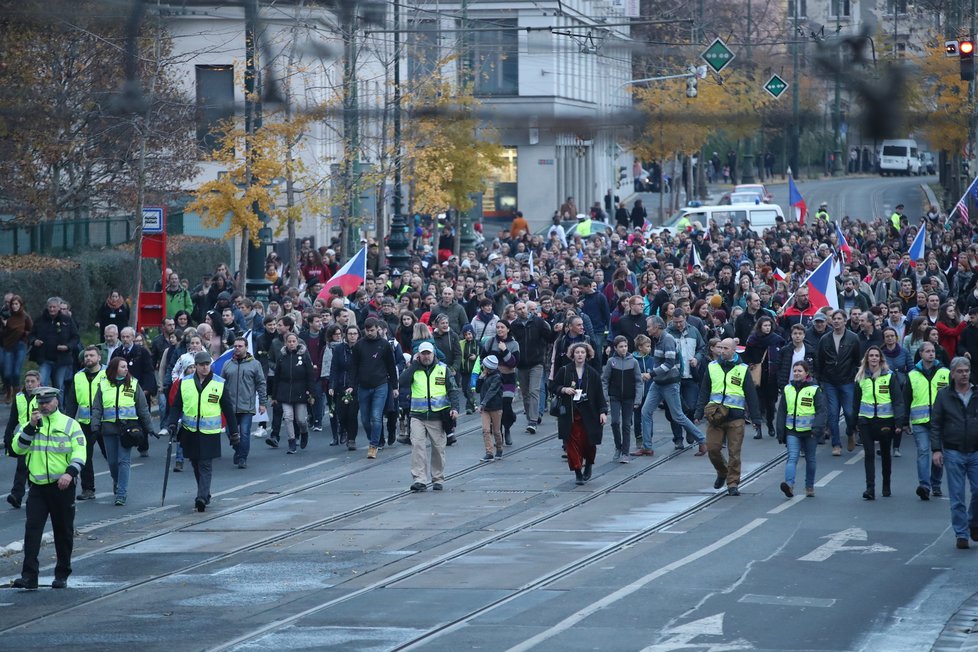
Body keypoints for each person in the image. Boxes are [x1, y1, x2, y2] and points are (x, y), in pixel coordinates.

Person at [9, 386, 86, 589]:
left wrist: (70, 473)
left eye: (47, 402)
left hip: (62, 486)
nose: (43, 405)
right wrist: (31, 428)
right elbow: (17, 448)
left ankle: (62, 574)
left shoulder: (70, 425)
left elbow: (80, 452)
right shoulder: (31, 424)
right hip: (38, 487)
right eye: (40, 403)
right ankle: (29, 577)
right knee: (32, 531)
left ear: (56, 402)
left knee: (63, 532)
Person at [165, 351, 240, 512]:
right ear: (196, 366)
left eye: (208, 364)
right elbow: (177, 405)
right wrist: (171, 423)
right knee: (195, 463)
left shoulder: (219, 383)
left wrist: (234, 432)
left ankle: (201, 496)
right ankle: (205, 493)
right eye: (202, 365)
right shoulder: (184, 383)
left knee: (205, 464)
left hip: (209, 432)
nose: (205, 367)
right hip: (190, 430)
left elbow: (228, 409)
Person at [694, 337, 762, 496]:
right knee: (713, 449)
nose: (721, 351)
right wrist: (698, 412)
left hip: (735, 417)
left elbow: (751, 395)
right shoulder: (712, 367)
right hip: (715, 416)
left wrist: (756, 418)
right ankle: (722, 471)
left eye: (725, 348)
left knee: (734, 452)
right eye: (720, 348)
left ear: (733, 350)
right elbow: (704, 391)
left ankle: (732, 484)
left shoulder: (743, 369)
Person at [90, 356, 154, 506]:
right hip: (109, 428)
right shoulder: (103, 384)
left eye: (126, 367)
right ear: (114, 369)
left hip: (128, 429)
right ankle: (117, 481)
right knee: (112, 462)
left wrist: (150, 428)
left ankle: (121, 493)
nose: (126, 369)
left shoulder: (133, 384)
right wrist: (95, 426)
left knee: (123, 461)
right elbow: (97, 408)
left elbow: (142, 408)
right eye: (123, 367)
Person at [639, 316, 706, 456]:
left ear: (657, 327)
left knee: (678, 416)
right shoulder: (658, 339)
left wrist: (650, 374)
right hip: (659, 383)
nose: (647, 329)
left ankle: (702, 439)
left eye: (649, 326)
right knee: (646, 411)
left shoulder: (667, 339)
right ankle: (647, 446)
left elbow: (669, 364)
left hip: (669, 383)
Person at [399, 341, 461, 492]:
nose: (426, 356)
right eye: (423, 354)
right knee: (417, 446)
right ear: (418, 355)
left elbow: (452, 389)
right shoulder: (413, 369)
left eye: (428, 353)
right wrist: (413, 365)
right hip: (417, 415)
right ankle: (419, 479)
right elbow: (402, 382)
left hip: (438, 415)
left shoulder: (443, 369)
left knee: (438, 448)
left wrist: (454, 408)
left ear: (434, 354)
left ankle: (437, 478)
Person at [930, 356, 978, 549]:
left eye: (966, 371)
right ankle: (961, 534)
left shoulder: (976, 393)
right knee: (957, 496)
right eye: (960, 371)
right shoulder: (944, 395)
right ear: (952, 374)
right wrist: (936, 450)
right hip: (953, 451)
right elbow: (936, 423)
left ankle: (973, 522)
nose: (964, 374)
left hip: (975, 451)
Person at [853, 345, 906, 500]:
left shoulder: (889, 376)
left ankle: (886, 485)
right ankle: (870, 488)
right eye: (871, 356)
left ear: (881, 359)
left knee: (885, 454)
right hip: (865, 421)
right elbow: (855, 402)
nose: (874, 358)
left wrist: (898, 422)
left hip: (885, 421)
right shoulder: (860, 377)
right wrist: (853, 422)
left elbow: (898, 401)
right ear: (867, 359)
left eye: (877, 355)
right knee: (869, 454)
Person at [551, 342, 607, 485]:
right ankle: (577, 472)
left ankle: (588, 464)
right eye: (577, 352)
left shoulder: (592, 373)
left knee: (589, 443)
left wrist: (603, 412)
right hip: (570, 413)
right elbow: (552, 385)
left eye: (582, 352)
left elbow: (599, 394)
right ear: (572, 355)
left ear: (587, 354)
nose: (580, 355)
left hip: (589, 414)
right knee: (572, 444)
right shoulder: (565, 370)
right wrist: (564, 390)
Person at [905, 342, 949, 501]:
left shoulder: (945, 373)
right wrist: (904, 421)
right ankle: (924, 486)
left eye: (933, 351)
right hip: (920, 421)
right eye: (928, 351)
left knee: (939, 454)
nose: (931, 354)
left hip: (941, 422)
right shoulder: (912, 375)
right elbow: (906, 398)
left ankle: (936, 484)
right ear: (921, 354)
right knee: (923, 451)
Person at [349, 317, 399, 459]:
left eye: (372, 330)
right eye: (367, 330)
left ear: (377, 328)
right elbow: (353, 367)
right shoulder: (359, 346)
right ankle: (376, 438)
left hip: (380, 385)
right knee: (365, 419)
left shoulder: (384, 345)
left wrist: (394, 386)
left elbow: (391, 366)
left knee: (376, 416)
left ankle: (373, 445)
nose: (370, 333)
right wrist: (351, 386)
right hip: (363, 386)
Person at [776, 361, 826, 498]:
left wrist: (817, 429)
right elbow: (782, 411)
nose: (797, 373)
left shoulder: (814, 390)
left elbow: (821, 411)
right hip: (792, 431)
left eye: (800, 371)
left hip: (810, 432)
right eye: (795, 371)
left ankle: (809, 486)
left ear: (806, 373)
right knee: (792, 457)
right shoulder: (788, 389)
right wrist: (780, 431)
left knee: (810, 459)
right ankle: (789, 485)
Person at [816, 309, 862, 456]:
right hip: (829, 381)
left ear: (845, 321)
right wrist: (821, 379)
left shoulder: (853, 338)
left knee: (849, 412)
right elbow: (820, 360)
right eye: (834, 318)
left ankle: (850, 432)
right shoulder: (825, 339)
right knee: (833, 414)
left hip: (847, 380)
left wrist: (855, 376)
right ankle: (836, 444)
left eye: (839, 319)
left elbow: (857, 359)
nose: (836, 321)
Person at [64, 346, 105, 501]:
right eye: (86, 356)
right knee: (85, 456)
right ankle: (88, 489)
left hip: (103, 421)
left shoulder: (107, 374)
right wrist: (68, 422)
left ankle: (118, 484)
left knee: (110, 455)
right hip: (84, 423)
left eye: (92, 355)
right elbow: (72, 401)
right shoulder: (78, 376)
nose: (88, 358)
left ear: (99, 357)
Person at [223, 337, 267, 468]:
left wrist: (263, 403)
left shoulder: (254, 364)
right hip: (230, 406)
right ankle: (238, 449)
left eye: (240, 346)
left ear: (246, 347)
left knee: (245, 432)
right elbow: (220, 385)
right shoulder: (227, 364)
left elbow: (261, 383)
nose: (237, 348)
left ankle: (242, 457)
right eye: (235, 346)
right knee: (230, 432)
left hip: (246, 406)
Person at [510, 300, 554, 433]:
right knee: (525, 393)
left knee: (534, 390)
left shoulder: (538, 322)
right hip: (521, 364)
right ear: (516, 312)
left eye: (524, 308)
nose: (522, 310)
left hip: (536, 363)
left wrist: (557, 331)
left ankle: (533, 421)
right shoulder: (514, 326)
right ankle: (530, 417)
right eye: (519, 309)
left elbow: (549, 338)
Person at [270, 332, 315, 454]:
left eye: (293, 341)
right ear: (285, 343)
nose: (291, 344)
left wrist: (311, 393)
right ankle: (291, 441)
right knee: (288, 417)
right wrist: (274, 396)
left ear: (297, 342)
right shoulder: (281, 356)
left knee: (300, 419)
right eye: (289, 341)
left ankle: (304, 432)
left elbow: (310, 375)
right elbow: (277, 377)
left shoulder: (304, 355)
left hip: (300, 391)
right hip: (284, 391)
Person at [601, 335, 643, 462]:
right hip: (615, 396)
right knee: (614, 422)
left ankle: (625, 451)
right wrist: (605, 396)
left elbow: (638, 381)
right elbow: (605, 380)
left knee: (626, 424)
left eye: (625, 346)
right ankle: (618, 446)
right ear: (615, 348)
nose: (624, 349)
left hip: (629, 397)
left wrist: (638, 399)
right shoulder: (611, 362)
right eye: (621, 347)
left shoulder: (633, 362)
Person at [29, 296, 79, 394]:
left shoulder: (67, 320)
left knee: (59, 386)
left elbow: (75, 337)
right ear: (47, 307)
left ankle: (59, 407)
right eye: (50, 307)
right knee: (42, 383)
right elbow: (31, 335)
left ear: (59, 307)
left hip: (62, 359)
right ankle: (42, 406)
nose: (52, 309)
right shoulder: (40, 320)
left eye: (54, 307)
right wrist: (34, 341)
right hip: (44, 358)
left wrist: (67, 346)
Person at [4, 371, 40, 509]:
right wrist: (8, 434)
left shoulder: (43, 396)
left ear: (38, 383)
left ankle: (35, 495)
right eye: (27, 381)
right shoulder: (19, 397)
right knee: (21, 467)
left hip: (39, 437)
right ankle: (16, 496)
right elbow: (13, 419)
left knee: (34, 468)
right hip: (23, 437)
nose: (29, 384)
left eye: (32, 381)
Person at [1, 294, 31, 403]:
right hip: (8, 346)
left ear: (20, 305)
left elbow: (31, 330)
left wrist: (23, 333)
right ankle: (9, 390)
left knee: (16, 372)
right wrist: (5, 326)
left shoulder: (25, 316)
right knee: (7, 373)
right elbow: (3, 334)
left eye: (16, 304)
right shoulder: (7, 316)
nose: (14, 306)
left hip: (20, 346)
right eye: (12, 304)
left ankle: (17, 394)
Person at [477, 354, 504, 461]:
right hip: (485, 408)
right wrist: (480, 378)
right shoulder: (485, 375)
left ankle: (499, 448)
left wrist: (483, 403)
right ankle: (489, 452)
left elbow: (491, 391)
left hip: (495, 407)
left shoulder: (497, 377)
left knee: (496, 430)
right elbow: (479, 389)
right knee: (485, 430)